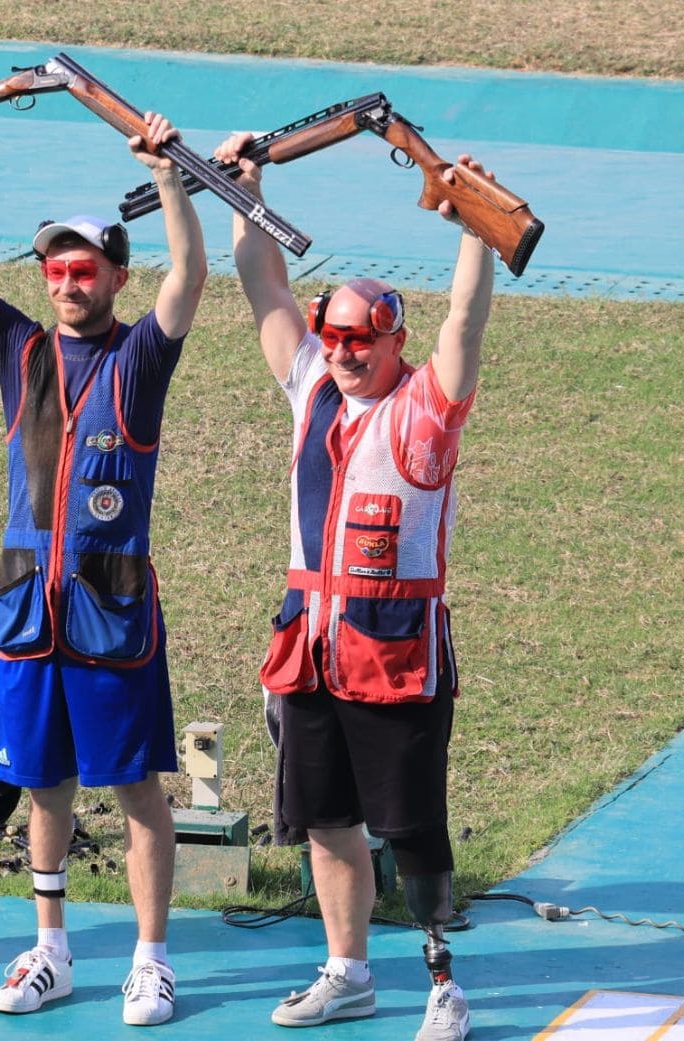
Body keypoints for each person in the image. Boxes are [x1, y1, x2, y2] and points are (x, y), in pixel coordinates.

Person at [0, 96, 206, 1027]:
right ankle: (52, 950)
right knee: (42, 785)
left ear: (117, 273)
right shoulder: (19, 348)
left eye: (83, 267)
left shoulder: (142, 358)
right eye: (53, 267)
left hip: (111, 614)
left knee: (133, 789)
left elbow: (190, 277)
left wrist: (167, 174)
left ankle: (152, 960)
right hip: (28, 615)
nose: (66, 281)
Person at [215, 131, 497, 1040]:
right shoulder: (312, 389)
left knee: (414, 830)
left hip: (395, 654)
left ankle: (442, 981)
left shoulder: (426, 408)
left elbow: (464, 326)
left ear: (392, 342)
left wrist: (475, 229)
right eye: (330, 335)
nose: (338, 352)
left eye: (358, 340)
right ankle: (348, 970)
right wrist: (243, 194)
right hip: (310, 645)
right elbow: (260, 283)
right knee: (327, 821)